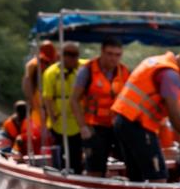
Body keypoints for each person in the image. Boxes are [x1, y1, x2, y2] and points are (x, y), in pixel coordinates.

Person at [111, 46, 180, 183]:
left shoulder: (158, 62)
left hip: (124, 121)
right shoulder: (170, 75)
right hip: (138, 124)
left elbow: (179, 112)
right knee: (158, 176)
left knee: (136, 176)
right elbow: (174, 113)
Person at [71, 36, 129, 177]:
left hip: (117, 126)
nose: (113, 58)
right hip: (94, 128)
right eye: (109, 54)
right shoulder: (87, 71)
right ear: (102, 52)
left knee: (132, 159)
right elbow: (74, 100)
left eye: (117, 55)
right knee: (95, 167)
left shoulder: (124, 72)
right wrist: (83, 126)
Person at [42, 42, 83, 173]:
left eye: (75, 55)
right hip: (60, 121)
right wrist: (52, 118)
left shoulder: (84, 68)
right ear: (61, 55)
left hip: (79, 121)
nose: (72, 58)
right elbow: (47, 98)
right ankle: (59, 174)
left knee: (77, 154)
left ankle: (79, 177)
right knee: (61, 154)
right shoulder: (51, 72)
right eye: (68, 54)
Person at [21, 40, 57, 129]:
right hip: (38, 96)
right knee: (39, 118)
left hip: (51, 96)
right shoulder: (32, 65)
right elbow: (27, 83)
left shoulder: (57, 62)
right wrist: (32, 101)